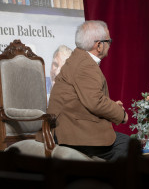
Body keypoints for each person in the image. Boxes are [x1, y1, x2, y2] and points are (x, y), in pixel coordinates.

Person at [48, 20, 130, 161]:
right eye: (109, 41)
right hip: (70, 134)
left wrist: (110, 106)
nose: (110, 45)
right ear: (99, 45)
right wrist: (121, 114)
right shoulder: (85, 65)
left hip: (67, 126)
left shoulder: (78, 58)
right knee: (129, 145)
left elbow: (83, 98)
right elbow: (95, 102)